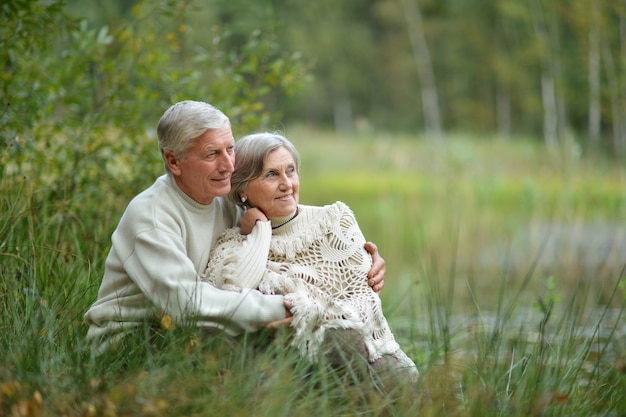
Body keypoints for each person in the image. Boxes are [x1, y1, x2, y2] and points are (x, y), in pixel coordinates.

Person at [84, 100, 386, 355]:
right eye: (212, 154)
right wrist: (284, 309)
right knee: (312, 348)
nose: (228, 165)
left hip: (199, 334)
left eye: (230, 149)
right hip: (135, 346)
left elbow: (287, 218)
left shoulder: (225, 199)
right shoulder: (150, 217)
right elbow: (186, 305)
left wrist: (352, 254)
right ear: (173, 161)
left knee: (333, 346)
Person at [202, 132, 418, 386]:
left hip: (365, 348)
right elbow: (234, 293)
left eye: (291, 171)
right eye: (272, 174)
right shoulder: (233, 244)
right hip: (284, 362)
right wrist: (260, 229)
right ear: (242, 190)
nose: (286, 184)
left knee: (380, 368)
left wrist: (311, 314)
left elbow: (366, 298)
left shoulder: (333, 220)